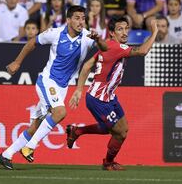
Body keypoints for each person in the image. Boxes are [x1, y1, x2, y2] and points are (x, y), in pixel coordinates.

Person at [0, 5, 108, 170]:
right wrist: (17, 62)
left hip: (62, 88)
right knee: (60, 112)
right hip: (47, 81)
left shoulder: (87, 36)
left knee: (35, 126)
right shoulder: (55, 34)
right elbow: (32, 42)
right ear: (68, 20)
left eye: (83, 18)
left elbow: (105, 49)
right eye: (77, 18)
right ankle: (31, 146)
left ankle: (6, 155)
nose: (80, 21)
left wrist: (98, 40)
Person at [65, 16, 158, 171]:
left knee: (122, 128)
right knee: (119, 133)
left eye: (126, 28)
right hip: (98, 99)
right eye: (120, 29)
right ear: (112, 33)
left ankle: (77, 131)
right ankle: (108, 162)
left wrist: (79, 89)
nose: (125, 32)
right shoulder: (116, 47)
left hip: (109, 97)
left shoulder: (108, 46)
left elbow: (88, 65)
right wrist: (154, 31)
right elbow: (143, 51)